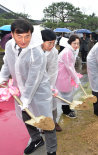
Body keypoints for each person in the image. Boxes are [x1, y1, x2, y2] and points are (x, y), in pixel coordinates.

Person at [0, 19, 57, 155]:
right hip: (20, 88)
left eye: (27, 36)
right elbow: (7, 63)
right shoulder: (9, 46)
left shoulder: (36, 53)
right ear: (12, 34)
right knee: (26, 117)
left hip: (38, 90)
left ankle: (51, 150)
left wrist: (26, 99)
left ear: (32, 35)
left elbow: (34, 80)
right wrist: (3, 77)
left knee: (46, 121)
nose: (23, 40)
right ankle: (36, 139)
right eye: (19, 36)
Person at [41, 29, 62, 132]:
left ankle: (54, 121)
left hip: (50, 81)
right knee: (40, 105)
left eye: (54, 43)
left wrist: (50, 87)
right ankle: (43, 125)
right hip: (36, 82)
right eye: (50, 43)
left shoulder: (54, 52)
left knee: (52, 102)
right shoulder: (34, 51)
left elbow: (53, 71)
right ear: (42, 41)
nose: (52, 46)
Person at [55, 35, 81, 118]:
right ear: (70, 43)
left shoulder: (71, 50)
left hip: (67, 74)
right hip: (63, 75)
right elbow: (69, 67)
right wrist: (76, 78)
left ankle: (67, 108)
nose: (76, 45)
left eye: (78, 43)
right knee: (65, 93)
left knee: (68, 92)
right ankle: (66, 111)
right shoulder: (67, 52)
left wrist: (74, 75)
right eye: (74, 43)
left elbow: (71, 66)